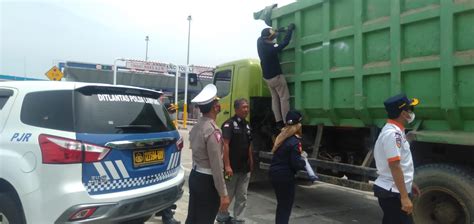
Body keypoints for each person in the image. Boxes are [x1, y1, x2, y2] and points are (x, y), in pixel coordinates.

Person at [185, 84, 230, 224]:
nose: (219, 104)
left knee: (193, 217)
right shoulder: (213, 131)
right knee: (205, 219)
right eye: (217, 102)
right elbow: (216, 165)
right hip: (207, 182)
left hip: (195, 176)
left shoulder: (197, 126)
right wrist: (223, 194)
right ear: (214, 107)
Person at [373, 94, 421, 224]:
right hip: (393, 193)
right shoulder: (392, 134)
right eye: (411, 109)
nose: (412, 113)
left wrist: (410, 183)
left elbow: (402, 164)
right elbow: (395, 166)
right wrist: (404, 197)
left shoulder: (396, 131)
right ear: (404, 113)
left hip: (394, 190)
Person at [216, 98, 254, 224]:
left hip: (244, 167)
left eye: (247, 107)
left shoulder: (248, 125)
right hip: (231, 168)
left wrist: (251, 162)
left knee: (242, 196)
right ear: (236, 109)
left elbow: (249, 145)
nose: (246, 110)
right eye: (244, 107)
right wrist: (227, 166)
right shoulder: (229, 124)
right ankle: (221, 216)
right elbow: (225, 145)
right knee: (228, 195)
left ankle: (239, 219)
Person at [269, 110, 307, 224]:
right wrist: (304, 161)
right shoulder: (295, 141)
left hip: (275, 174)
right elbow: (295, 163)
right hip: (285, 176)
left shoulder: (281, 137)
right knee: (285, 206)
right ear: (298, 125)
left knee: (281, 204)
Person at [257, 23, 296, 130]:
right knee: (284, 98)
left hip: (266, 77)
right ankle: (286, 121)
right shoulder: (271, 49)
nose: (274, 37)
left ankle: (278, 121)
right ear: (268, 39)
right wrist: (289, 31)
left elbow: (270, 36)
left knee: (275, 98)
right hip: (276, 77)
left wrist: (280, 30)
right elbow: (285, 42)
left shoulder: (259, 41)